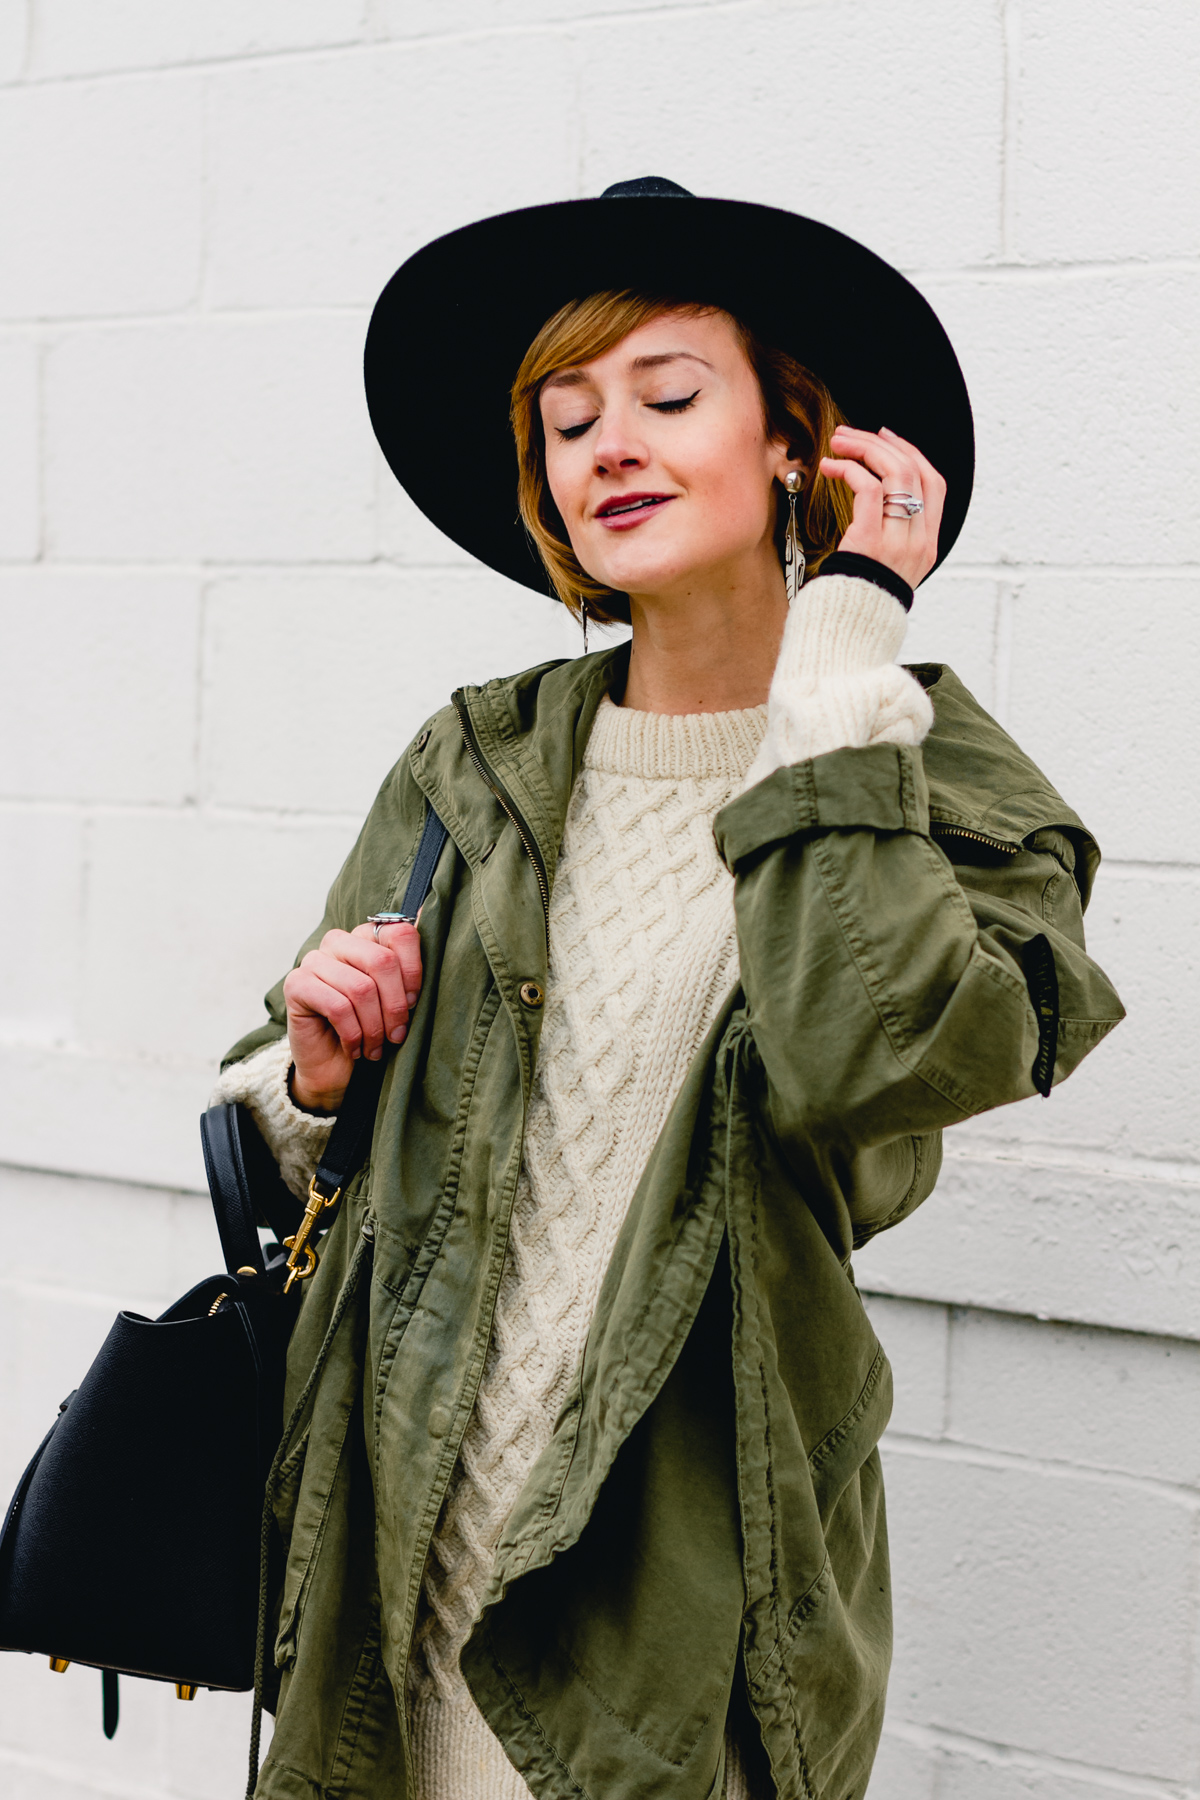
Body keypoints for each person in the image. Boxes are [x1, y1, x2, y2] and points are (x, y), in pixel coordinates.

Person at [214, 180, 1124, 1800]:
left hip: (679, 1605)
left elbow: (874, 1063)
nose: (607, 448)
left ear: (796, 438)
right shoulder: (479, 759)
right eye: (567, 422)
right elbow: (276, 1120)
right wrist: (315, 1072)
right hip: (393, 1555)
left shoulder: (956, 793)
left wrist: (850, 650)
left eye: (667, 396)